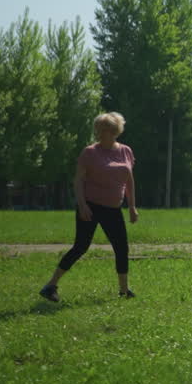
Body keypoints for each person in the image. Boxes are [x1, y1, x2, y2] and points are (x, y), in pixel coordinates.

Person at [40, 112, 139, 302]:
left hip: (113, 208)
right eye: (98, 130)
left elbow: (129, 180)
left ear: (114, 131)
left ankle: (124, 290)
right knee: (80, 247)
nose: (99, 133)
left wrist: (132, 207)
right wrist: (82, 205)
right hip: (91, 206)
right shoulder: (90, 152)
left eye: (103, 130)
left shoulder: (126, 151)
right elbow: (78, 180)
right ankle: (50, 285)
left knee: (121, 248)